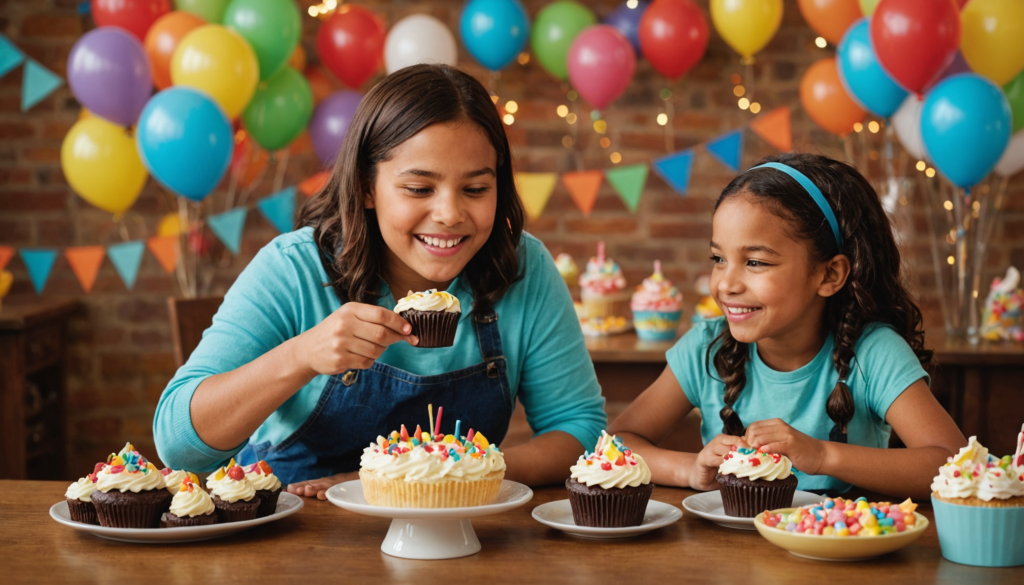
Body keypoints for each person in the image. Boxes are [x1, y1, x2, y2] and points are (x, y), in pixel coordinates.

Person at [154, 64, 606, 499]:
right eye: (419, 188)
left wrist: (450, 472)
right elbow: (178, 446)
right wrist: (301, 355)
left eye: (475, 189)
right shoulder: (293, 268)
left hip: (459, 534)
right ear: (366, 186)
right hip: (298, 531)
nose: (450, 214)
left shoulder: (522, 266)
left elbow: (580, 428)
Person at [609, 153, 964, 499]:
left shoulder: (873, 353)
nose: (726, 284)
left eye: (755, 262)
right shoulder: (706, 347)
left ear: (829, 274)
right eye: (718, 258)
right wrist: (689, 469)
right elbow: (618, 441)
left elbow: (954, 464)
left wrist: (823, 456)